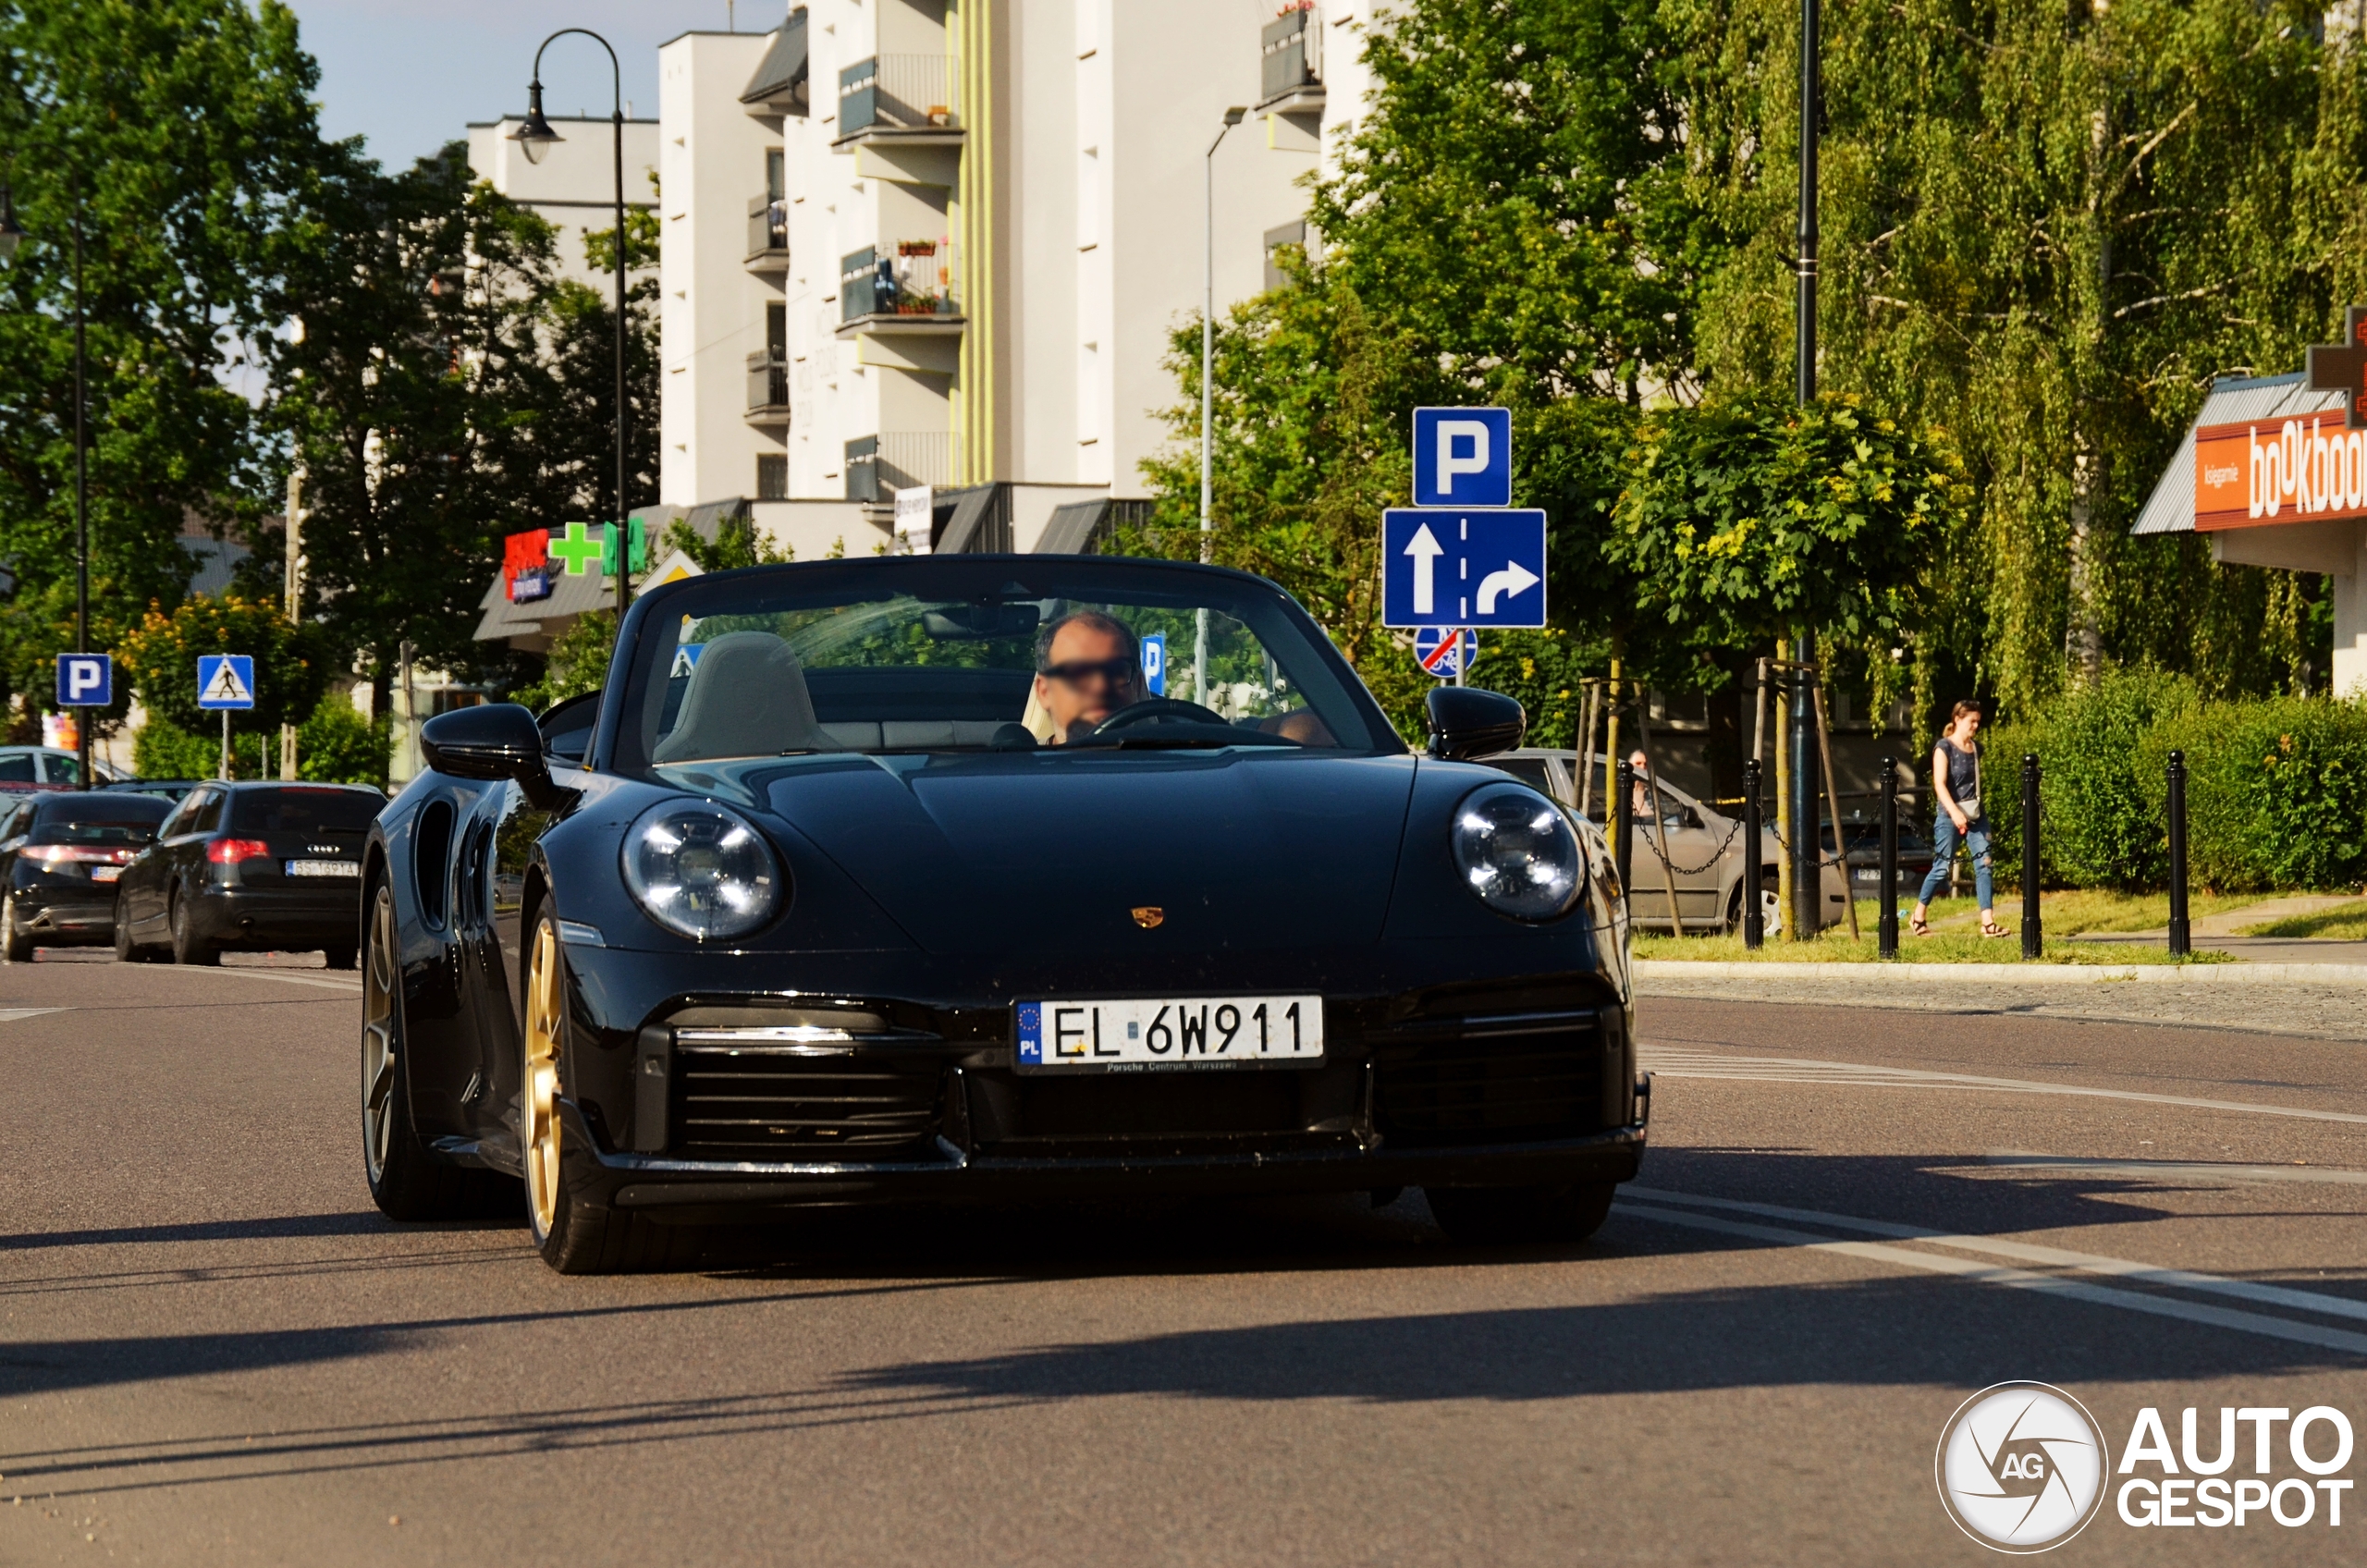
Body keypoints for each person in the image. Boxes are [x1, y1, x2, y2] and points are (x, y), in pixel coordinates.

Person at [1910, 701, 2006, 937]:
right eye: (1971, 721)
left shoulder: (1976, 749)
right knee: (1941, 868)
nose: (1975, 726)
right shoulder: (1944, 747)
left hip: (1976, 815)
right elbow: (1939, 785)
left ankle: (1988, 923)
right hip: (1948, 815)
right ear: (1957, 720)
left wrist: (1966, 814)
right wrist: (1954, 813)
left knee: (1985, 865)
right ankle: (1918, 916)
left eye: (1977, 722)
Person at [1030, 611, 1144, 744]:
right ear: (1044, 692)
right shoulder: (1018, 763)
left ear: (1138, 686)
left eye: (1116, 671)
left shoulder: (1168, 762)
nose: (1100, 686)